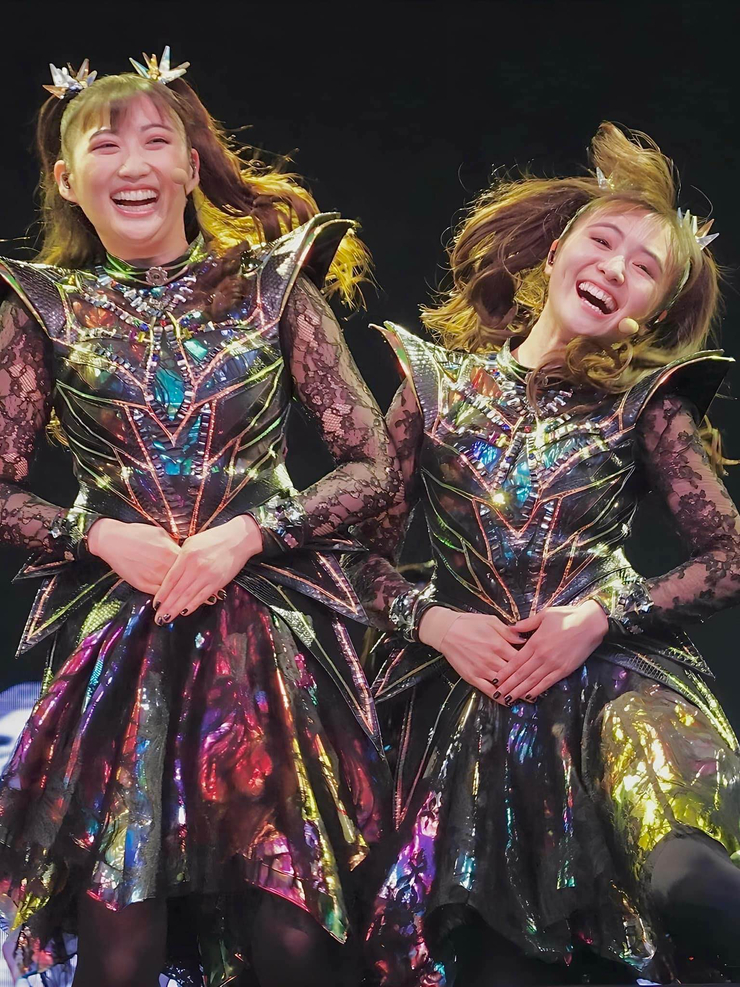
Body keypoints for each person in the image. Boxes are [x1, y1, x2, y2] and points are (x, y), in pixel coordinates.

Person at [0, 50, 400, 987]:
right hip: (125, 654)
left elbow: (374, 464)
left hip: (269, 643)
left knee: (292, 940)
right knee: (120, 948)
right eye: (105, 145)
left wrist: (248, 534)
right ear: (68, 179)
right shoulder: (43, 309)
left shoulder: (272, 286)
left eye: (155, 140)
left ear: (188, 164)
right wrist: (95, 533)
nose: (133, 162)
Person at [348, 123, 740, 986]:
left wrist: (598, 616)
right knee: (498, 959)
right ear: (557, 251)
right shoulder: (435, 386)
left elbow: (730, 552)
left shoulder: (647, 404)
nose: (616, 268)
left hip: (614, 690)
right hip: (469, 712)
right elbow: (352, 558)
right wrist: (435, 621)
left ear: (653, 314)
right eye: (604, 242)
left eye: (645, 268)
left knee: (687, 878)